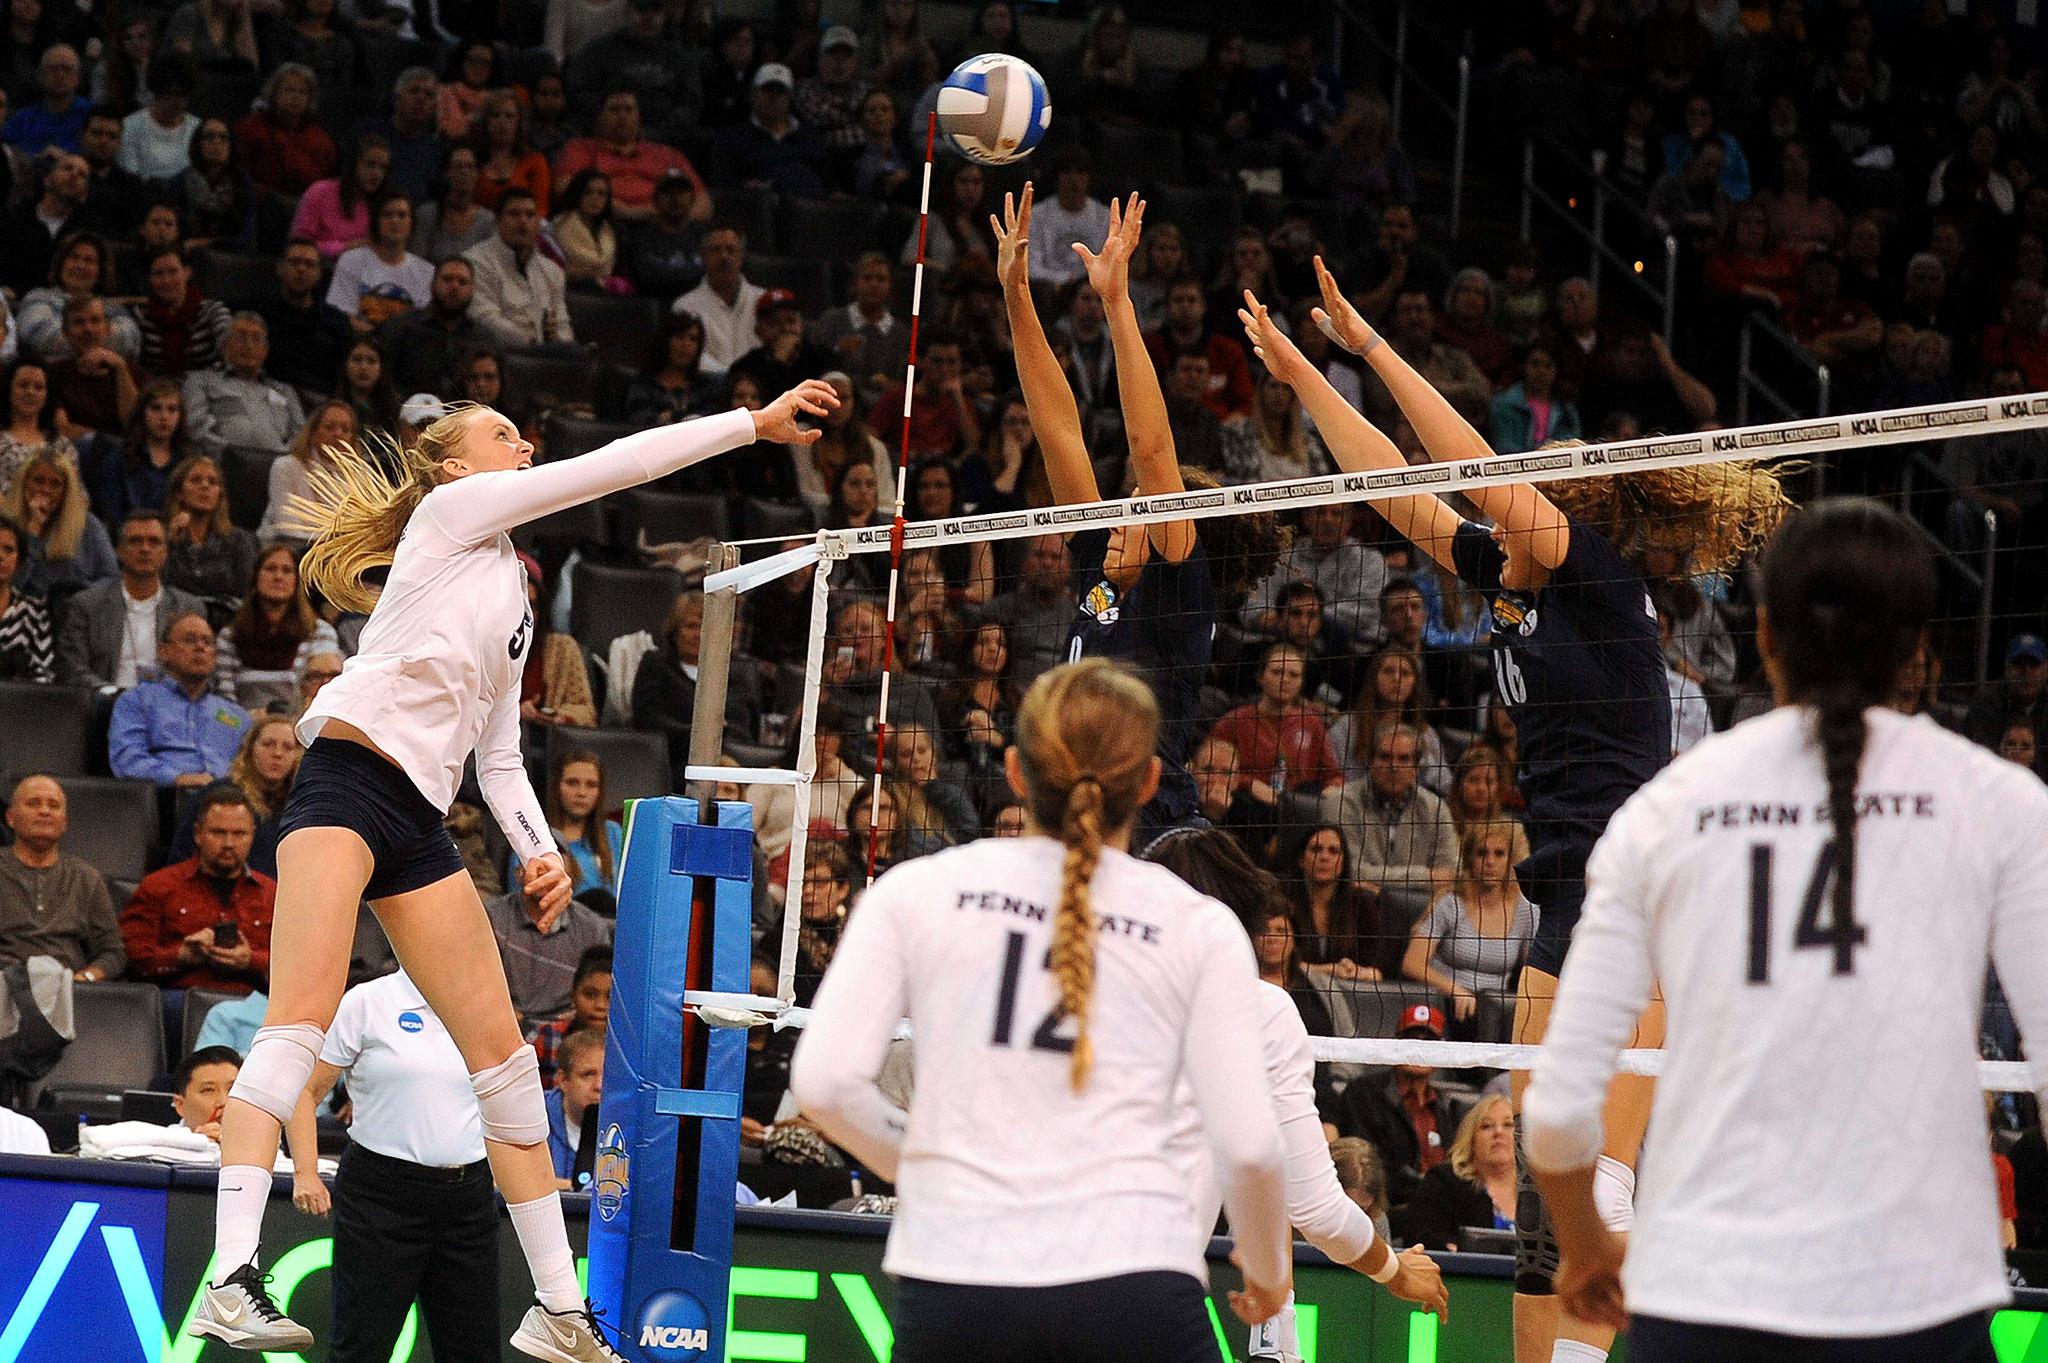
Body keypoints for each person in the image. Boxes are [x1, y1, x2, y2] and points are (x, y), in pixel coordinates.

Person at [188, 374, 833, 1355]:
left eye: (522, 436)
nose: (523, 445)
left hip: (419, 822)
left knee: (506, 1066)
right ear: (453, 465)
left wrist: (542, 851)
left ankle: (558, 1308)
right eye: (502, 433)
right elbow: (617, 465)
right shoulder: (451, 515)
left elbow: (496, 756)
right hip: (345, 785)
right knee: (298, 1021)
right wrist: (752, 424)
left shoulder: (514, 596)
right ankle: (230, 1277)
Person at [1242, 263, 1788, 1362]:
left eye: (1537, 484)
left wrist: (1372, 344)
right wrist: (1307, 374)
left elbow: (1471, 469)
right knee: (1550, 1176)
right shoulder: (1507, 574)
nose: (1512, 494)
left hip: (1640, 890)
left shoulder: (1596, 578)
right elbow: (1395, 485)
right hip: (1566, 892)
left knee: (1597, 1172)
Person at [1526, 499, 2048, 1363]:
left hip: (1702, 1296)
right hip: (1920, 1298)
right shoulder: (2004, 804)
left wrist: (1584, 1247)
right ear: (1917, 649)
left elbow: (1555, 1112)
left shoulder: (1663, 810)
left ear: (1763, 634)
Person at [790, 659, 1295, 1360]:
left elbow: (822, 1085)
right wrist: (1270, 1274)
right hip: (1137, 1278)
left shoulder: (916, 890)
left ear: (1016, 772)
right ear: (1151, 781)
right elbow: (1249, 1146)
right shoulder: (1199, 925)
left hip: (958, 1275)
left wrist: (932, 1165)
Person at [998, 185, 1278, 848]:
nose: (1125, 507)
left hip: (1154, 827)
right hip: (1071, 815)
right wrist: (1016, 295)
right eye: (1126, 503)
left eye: (1139, 505)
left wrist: (1118, 304)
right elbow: (1058, 429)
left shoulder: (1182, 587)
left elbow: (1152, 450)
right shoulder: (1103, 558)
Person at [1142, 824, 1450, 1359]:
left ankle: (1276, 1340)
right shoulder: (1260, 1010)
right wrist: (1396, 1270)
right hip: (1137, 1291)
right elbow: (1315, 1207)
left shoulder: (1062, 981)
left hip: (1003, 1269)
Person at [291, 967, 499, 1363]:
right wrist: (306, 1171)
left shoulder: (487, 1004)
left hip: (469, 1199)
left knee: (475, 1354)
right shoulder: (367, 1001)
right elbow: (306, 1088)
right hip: (380, 1196)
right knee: (361, 1350)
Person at [122, 785, 275, 994]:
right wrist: (180, 956)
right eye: (218, 832)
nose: (229, 843)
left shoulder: (272, 894)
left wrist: (251, 960)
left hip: (252, 1002)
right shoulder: (158, 886)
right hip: (180, 1000)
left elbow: (297, 966)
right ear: (197, 834)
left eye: (239, 834)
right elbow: (132, 959)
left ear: (253, 836)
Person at [1403, 820, 1535, 1042]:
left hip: (1494, 1015)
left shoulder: (1526, 909)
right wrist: (1455, 990)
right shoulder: (1450, 903)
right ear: (1470, 858)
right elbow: (1412, 963)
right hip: (1445, 1006)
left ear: (1511, 859)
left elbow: (1533, 971)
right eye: (1482, 853)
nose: (1490, 861)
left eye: (1499, 854)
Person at [54, 509, 203, 688]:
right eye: (135, 541)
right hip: (106, 701)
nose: (145, 549)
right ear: (119, 551)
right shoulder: (86, 605)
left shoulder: (188, 608)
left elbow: (202, 671)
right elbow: (71, 669)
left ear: (166, 552)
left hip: (170, 702)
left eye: (154, 542)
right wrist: (114, 695)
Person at [0, 773, 124, 981]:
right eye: (33, 803)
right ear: (11, 818)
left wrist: (87, 977)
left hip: (69, 988)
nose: (44, 811)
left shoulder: (86, 877)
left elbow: (113, 952)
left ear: (64, 822)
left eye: (54, 805)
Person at [109, 611, 249, 787]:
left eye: (207, 642)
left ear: (215, 656)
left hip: (230, 797)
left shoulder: (237, 715)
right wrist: (178, 779)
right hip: (167, 795)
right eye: (189, 640)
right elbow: (128, 759)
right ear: (164, 651)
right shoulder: (137, 701)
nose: (200, 647)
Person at [216, 543, 340, 711]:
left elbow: (322, 689)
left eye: (287, 570)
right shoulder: (230, 636)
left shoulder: (321, 633)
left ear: (297, 581)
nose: (278, 577)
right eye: (270, 569)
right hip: (244, 723)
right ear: (255, 577)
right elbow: (225, 697)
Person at [486, 878, 612, 1029]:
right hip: (501, 1023)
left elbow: (602, 982)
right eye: (538, 872)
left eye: (552, 873)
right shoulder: (490, 915)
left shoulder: (593, 927)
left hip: (569, 1028)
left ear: (569, 878)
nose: (600, 1005)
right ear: (518, 873)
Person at [1400, 1094, 1517, 1252]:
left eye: (1508, 1125)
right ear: (1471, 1138)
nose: (1498, 1132)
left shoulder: (1539, 1191)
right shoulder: (1442, 1182)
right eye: (1486, 1126)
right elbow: (1419, 1239)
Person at [184, 314, 306, 458]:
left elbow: (301, 435)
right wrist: (232, 455)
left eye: (256, 339)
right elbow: (196, 428)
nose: (249, 346)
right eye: (241, 338)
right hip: (223, 462)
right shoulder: (200, 381)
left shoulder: (284, 390)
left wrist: (282, 459)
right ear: (225, 345)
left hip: (278, 464)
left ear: (265, 349)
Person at [463, 189, 573, 348]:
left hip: (547, 354)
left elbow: (564, 326)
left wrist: (557, 338)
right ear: (498, 222)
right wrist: (532, 340)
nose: (523, 221)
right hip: (498, 352)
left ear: (538, 222)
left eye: (530, 215)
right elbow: (484, 319)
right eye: (514, 214)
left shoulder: (552, 271)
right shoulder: (475, 261)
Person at [5, 449, 116, 599]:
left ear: (66, 491)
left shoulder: (88, 525)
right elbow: (9, 585)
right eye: (38, 481)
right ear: (24, 484)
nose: (46, 490)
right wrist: (33, 533)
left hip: (78, 605)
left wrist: (80, 595)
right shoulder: (7, 524)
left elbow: (112, 578)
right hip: (25, 608)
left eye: (55, 484)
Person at [1282, 822, 1383, 981]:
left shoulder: (1362, 903)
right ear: (1301, 860)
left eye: (1333, 851)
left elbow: (1377, 971)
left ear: (1343, 863)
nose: (1324, 857)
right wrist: (1330, 970)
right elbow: (1274, 965)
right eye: (1316, 849)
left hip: (1347, 990)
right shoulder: (1282, 899)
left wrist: (1356, 971)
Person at [378, 257, 485, 399]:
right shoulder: (402, 327)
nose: (454, 286)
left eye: (462, 282)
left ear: (472, 290)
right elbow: (384, 379)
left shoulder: (482, 338)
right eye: (447, 279)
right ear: (432, 285)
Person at [327, 193, 434, 333]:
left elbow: (423, 324)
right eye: (387, 215)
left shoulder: (426, 271)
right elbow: (342, 315)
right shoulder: (351, 260)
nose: (395, 221)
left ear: (412, 223)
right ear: (376, 222)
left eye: (402, 215)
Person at [259, 240, 353, 397]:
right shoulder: (260, 314)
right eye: (294, 262)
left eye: (309, 264)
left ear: (319, 272)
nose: (301, 269)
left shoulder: (337, 321)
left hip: (320, 400)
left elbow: (344, 374)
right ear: (280, 268)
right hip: (270, 397)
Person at [161, 455, 257, 600]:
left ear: (219, 495)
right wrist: (169, 541)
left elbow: (246, 593)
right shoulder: (160, 538)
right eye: (196, 480)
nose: (205, 486)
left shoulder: (240, 540)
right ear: (179, 493)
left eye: (213, 482)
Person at [529, 946, 609, 1087]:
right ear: (573, 996)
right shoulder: (545, 1036)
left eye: (611, 997)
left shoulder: (632, 1048)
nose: (600, 1005)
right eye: (590, 995)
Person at [544, 1026, 603, 1185]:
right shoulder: (532, 1114)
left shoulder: (629, 1124)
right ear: (563, 1080)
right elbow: (495, 1182)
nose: (599, 1086)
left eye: (608, 1076)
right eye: (588, 1074)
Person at [0, 513, 54, 681]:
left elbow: (44, 674)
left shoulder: (34, 611)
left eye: (8, 550)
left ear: (19, 561)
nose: (1, 556)